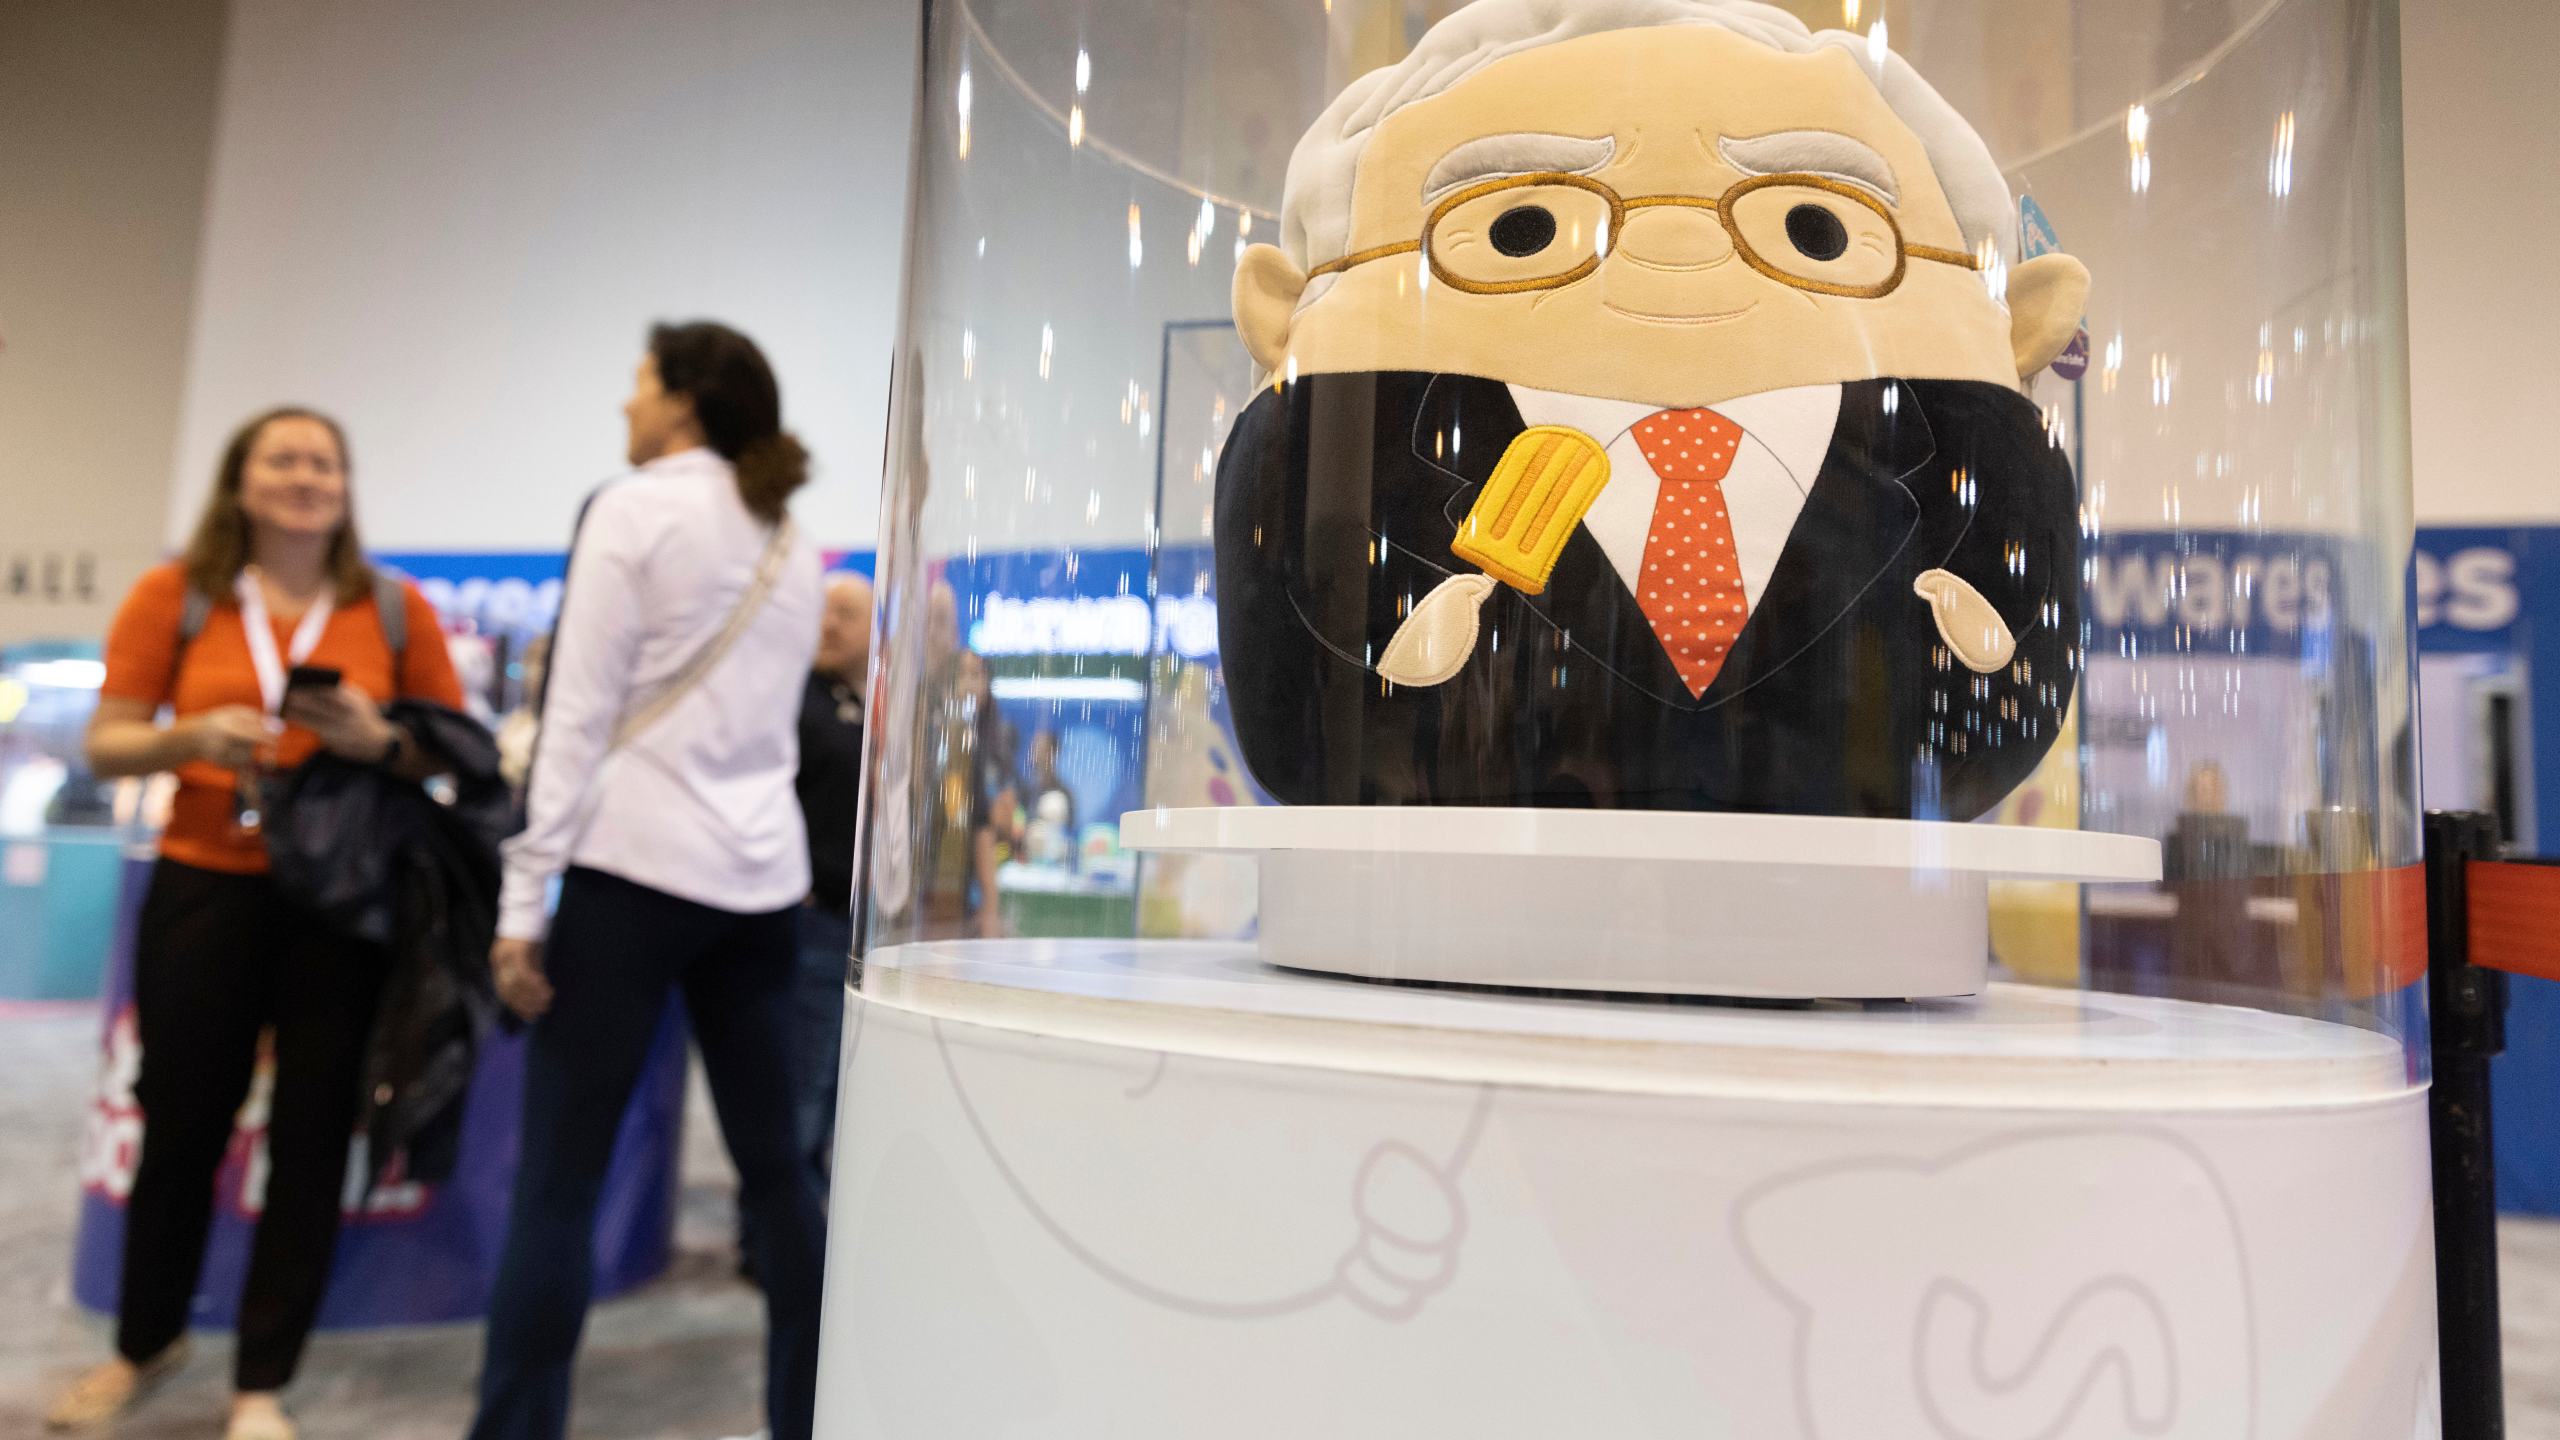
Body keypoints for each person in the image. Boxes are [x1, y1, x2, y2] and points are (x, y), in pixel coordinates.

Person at [48, 408, 465, 1440]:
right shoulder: (176, 595)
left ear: (346, 486)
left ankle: (261, 1382)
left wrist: (379, 739)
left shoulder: (395, 610)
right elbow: (104, 745)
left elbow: (452, 750)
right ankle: (145, 1347)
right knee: (181, 1125)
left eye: (323, 461)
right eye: (282, 458)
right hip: (206, 887)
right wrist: (188, 734)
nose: (304, 476)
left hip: (341, 902)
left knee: (313, 1133)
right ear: (241, 482)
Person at [470, 321, 825, 1440]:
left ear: (680, 403)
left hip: (628, 878)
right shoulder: (791, 538)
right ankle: (809, 1417)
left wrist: (523, 905)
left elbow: (574, 725)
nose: (624, 409)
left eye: (637, 386)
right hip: (761, 889)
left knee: (560, 1183)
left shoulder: (628, 508)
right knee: (782, 1183)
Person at [789, 571, 871, 1196]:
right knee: (801, 1088)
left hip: (853, 924)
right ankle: (776, 1243)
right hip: (809, 924)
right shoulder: (797, 699)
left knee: (835, 1085)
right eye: (822, 610)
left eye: (846, 612)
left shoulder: (859, 704)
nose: (828, 623)